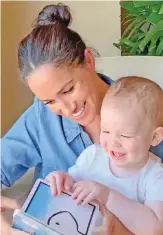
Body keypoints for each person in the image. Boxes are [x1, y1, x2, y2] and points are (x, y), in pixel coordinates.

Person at [1, 3, 162, 235]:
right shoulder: (41, 117)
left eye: (68, 90)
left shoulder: (146, 113)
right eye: (50, 101)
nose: (66, 109)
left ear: (88, 60)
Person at [45, 76, 163, 235]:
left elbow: (155, 228)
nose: (113, 142)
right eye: (106, 131)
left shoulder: (155, 176)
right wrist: (61, 180)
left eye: (125, 135)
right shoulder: (92, 156)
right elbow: (71, 190)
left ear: (154, 137)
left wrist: (108, 197)